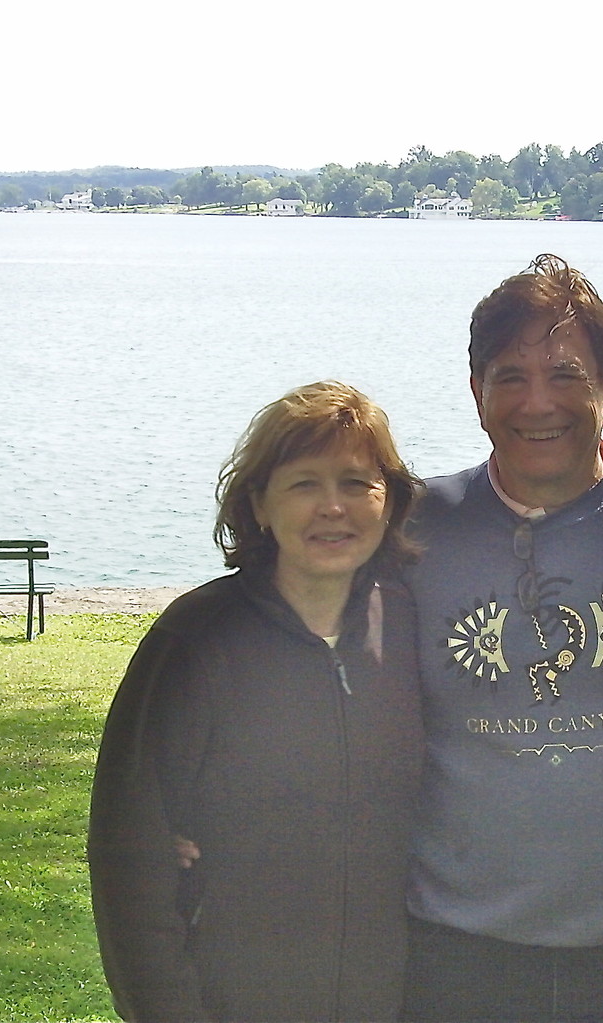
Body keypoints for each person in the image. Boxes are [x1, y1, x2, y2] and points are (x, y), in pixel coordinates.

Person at [399, 254, 603, 1021]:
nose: (536, 402)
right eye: (509, 375)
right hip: (455, 952)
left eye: (565, 375)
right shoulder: (412, 530)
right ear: (476, 391)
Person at [87, 380, 425, 1022]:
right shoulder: (194, 642)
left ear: (390, 502)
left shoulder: (412, 627)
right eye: (304, 484)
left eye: (357, 483)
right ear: (259, 506)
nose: (334, 507)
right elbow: (130, 857)